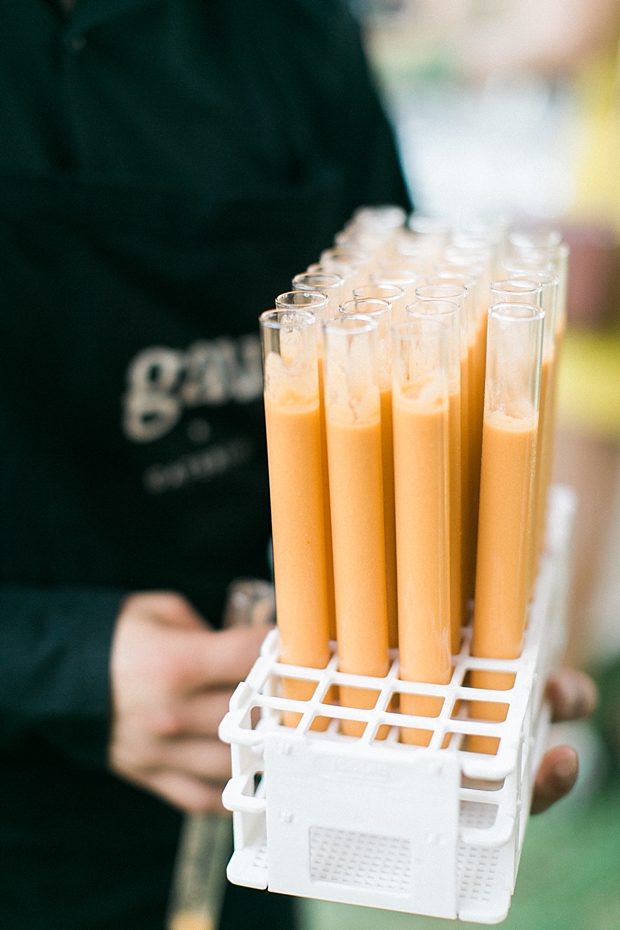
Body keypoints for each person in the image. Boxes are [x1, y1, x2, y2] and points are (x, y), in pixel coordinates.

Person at [0, 2, 596, 929]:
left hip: (271, 754)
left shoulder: (294, 28)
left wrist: (474, 653)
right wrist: (61, 666)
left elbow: (402, 322)